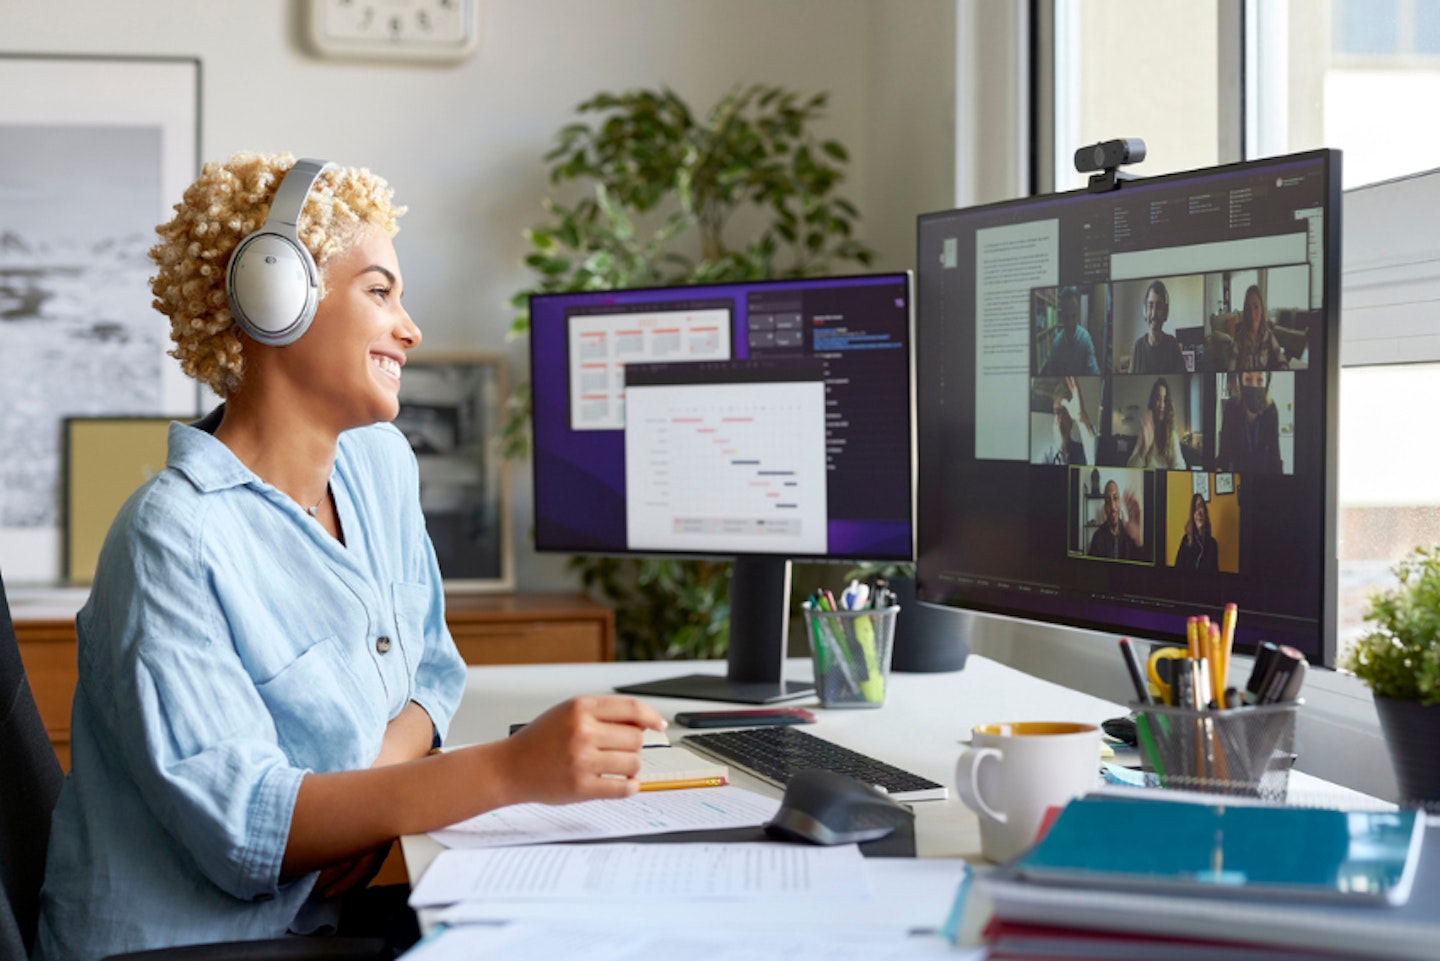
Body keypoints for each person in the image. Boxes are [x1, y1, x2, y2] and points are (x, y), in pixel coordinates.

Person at [33, 153, 666, 961]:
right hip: (193, 947)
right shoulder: (174, 538)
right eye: (380, 291)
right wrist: (506, 770)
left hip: (323, 920)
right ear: (275, 296)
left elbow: (433, 672)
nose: (411, 326)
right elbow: (244, 829)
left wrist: (364, 803)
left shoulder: (380, 464)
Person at [1218, 370, 1283, 473]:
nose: (1254, 385)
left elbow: (1274, 453)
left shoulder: (1271, 409)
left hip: (1263, 478)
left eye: (1260, 380)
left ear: (1266, 384)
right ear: (1241, 382)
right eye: (1248, 380)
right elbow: (1224, 452)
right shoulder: (1232, 407)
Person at [1127, 377, 1186, 470]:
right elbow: (1129, 468)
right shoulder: (1145, 434)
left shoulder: (1172, 435)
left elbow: (1180, 467)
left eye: (1165, 400)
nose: (1161, 405)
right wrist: (1144, 449)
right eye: (1158, 399)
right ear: (1152, 402)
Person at [1040, 287, 1100, 376]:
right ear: (1061, 317)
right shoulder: (1056, 344)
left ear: (1078, 313)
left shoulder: (1085, 339)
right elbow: (1050, 373)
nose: (1070, 323)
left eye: (1074, 316)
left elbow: (1094, 371)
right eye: (1066, 317)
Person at [1129, 280, 1185, 374]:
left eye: (1159, 307)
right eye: (1150, 306)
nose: (1154, 314)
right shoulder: (1137, 347)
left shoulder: (1172, 345)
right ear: (1145, 311)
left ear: (1165, 312)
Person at [1040, 376, 1096, 466]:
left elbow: (1096, 461)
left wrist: (1081, 419)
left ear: (1072, 420)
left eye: (1065, 412)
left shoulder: (1083, 451)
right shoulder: (1046, 457)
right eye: (1057, 412)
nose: (1060, 419)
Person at [1232, 284, 1289, 371]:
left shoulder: (1268, 335)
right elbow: (1231, 368)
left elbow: (1282, 360)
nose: (1252, 313)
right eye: (1248, 309)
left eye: (1256, 307)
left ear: (1262, 309)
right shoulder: (1239, 338)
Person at [1088, 479, 1145, 560]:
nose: (1113, 507)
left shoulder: (1129, 533)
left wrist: (1138, 540)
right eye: (1108, 500)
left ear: (1120, 502)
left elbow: (1141, 569)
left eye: (1115, 498)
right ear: (1105, 507)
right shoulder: (1098, 537)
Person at [1174, 492, 1220, 573]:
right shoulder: (1186, 541)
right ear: (1192, 515)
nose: (1198, 512)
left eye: (1200, 506)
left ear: (1205, 511)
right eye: (1195, 509)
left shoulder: (1213, 544)